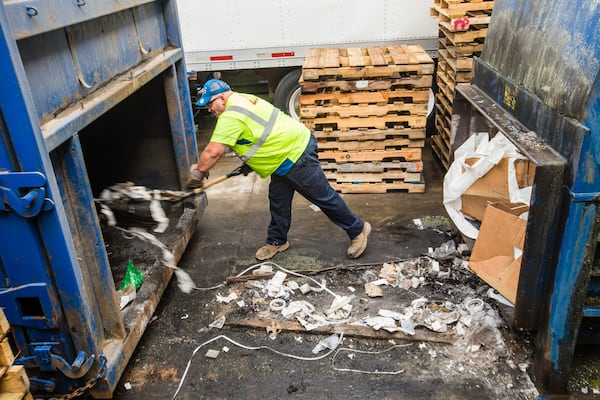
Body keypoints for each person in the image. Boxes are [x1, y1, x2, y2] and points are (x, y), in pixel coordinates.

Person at [187, 79, 370, 261]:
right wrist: (251, 161)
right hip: (282, 157)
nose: (210, 110)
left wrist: (198, 173)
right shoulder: (244, 99)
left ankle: (358, 229)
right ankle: (277, 240)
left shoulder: (231, 115)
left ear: (221, 98)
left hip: (295, 155)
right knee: (278, 200)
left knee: (323, 197)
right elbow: (259, 132)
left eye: (210, 104)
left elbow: (213, 152)